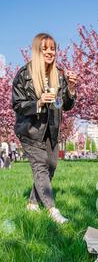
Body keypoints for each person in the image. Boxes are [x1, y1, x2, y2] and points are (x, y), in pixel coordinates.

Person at [12, 33, 77, 223]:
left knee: (51, 166)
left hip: (51, 129)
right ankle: (52, 210)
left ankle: (32, 203)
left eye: (52, 48)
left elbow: (65, 105)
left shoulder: (59, 75)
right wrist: (38, 102)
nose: (50, 52)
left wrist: (71, 88)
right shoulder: (24, 75)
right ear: (37, 51)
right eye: (45, 48)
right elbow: (17, 104)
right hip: (30, 129)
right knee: (40, 165)